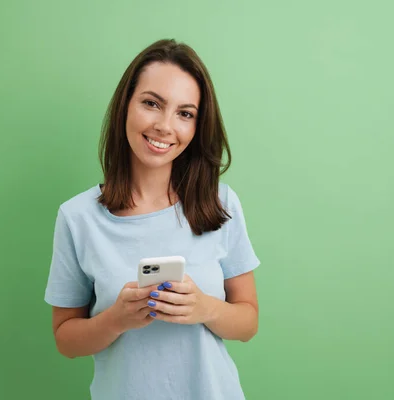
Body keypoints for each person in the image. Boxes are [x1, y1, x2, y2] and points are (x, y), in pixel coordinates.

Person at [44, 38, 260, 400]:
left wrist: (204, 307)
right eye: (151, 103)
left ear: (197, 126)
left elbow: (248, 323)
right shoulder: (77, 218)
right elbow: (66, 340)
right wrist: (116, 319)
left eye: (185, 113)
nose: (164, 126)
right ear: (125, 106)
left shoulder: (221, 204)